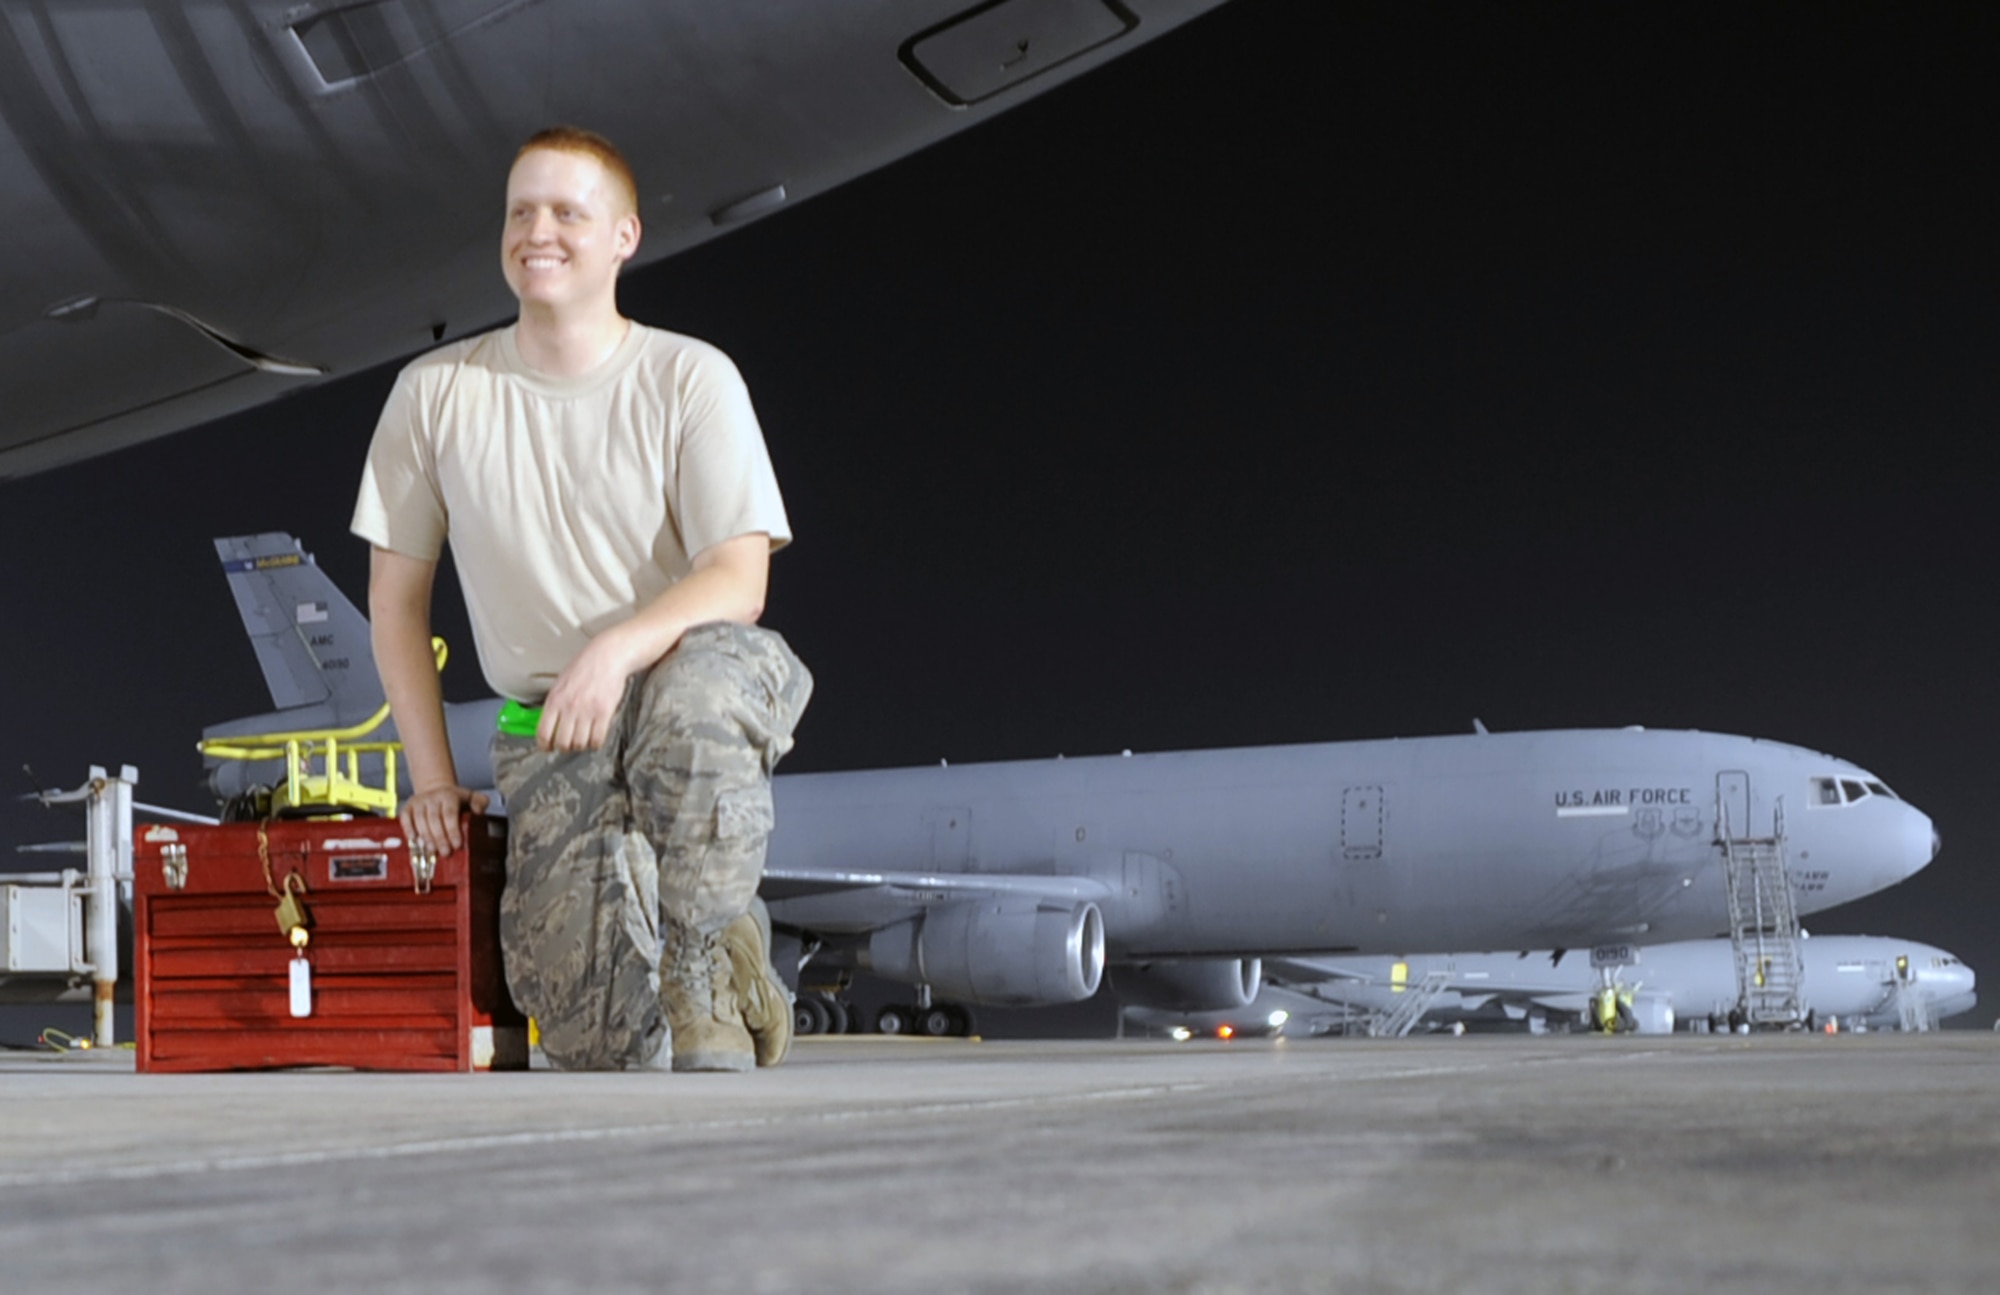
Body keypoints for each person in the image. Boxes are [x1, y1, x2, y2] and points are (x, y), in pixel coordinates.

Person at [351, 126, 811, 1072]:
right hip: (551, 720)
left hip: (685, 674)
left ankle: (704, 956)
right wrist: (432, 781)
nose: (538, 231)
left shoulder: (689, 377)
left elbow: (740, 577)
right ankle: (728, 932)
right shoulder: (434, 395)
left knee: (698, 691)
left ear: (624, 237)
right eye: (521, 211)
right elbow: (396, 605)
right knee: (593, 1037)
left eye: (568, 212)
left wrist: (613, 651)